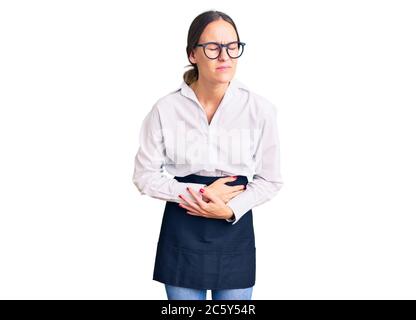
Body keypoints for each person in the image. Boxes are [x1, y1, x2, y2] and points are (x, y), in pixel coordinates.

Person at [132, 10, 283, 300]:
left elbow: (271, 180)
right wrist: (201, 193)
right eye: (213, 48)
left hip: (234, 226)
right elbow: (143, 176)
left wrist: (229, 210)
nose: (225, 56)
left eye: (232, 46)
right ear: (192, 54)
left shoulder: (260, 109)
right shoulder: (166, 109)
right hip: (182, 224)